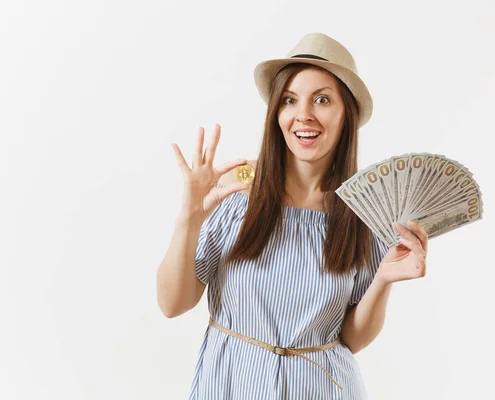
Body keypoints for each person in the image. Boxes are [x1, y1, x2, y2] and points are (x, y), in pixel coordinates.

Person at [157, 32, 429, 399]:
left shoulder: (364, 218)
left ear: (346, 114)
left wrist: (383, 280)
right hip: (232, 385)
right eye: (289, 100)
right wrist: (188, 219)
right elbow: (173, 304)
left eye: (322, 100)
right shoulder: (238, 197)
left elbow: (351, 338)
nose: (304, 115)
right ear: (276, 113)